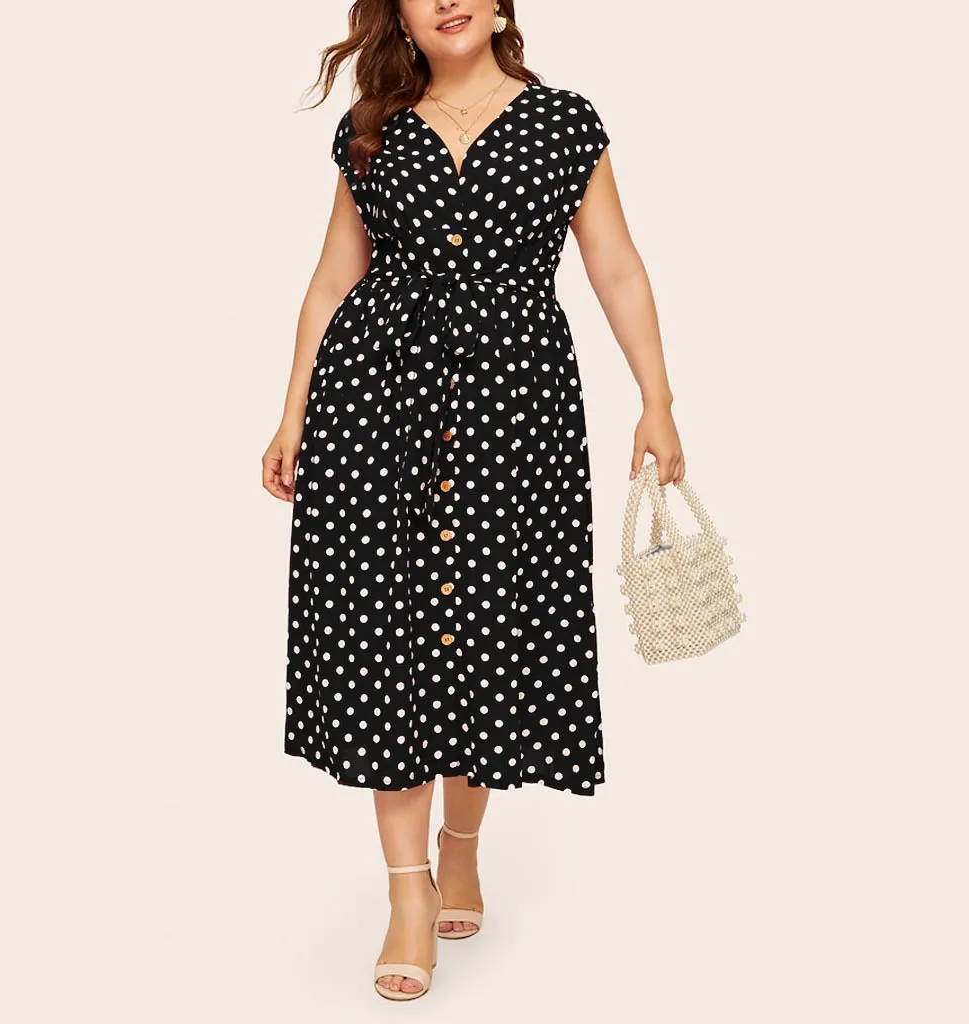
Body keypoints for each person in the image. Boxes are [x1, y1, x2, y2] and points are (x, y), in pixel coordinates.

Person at [262, 0, 684, 1002]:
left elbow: (614, 264)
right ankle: (407, 892)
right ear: (400, 17)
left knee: (489, 636)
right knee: (384, 642)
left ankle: (461, 845)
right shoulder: (372, 127)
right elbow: (332, 279)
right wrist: (291, 416)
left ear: (499, 6)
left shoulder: (564, 122)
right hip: (374, 409)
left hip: (514, 415)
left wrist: (657, 401)